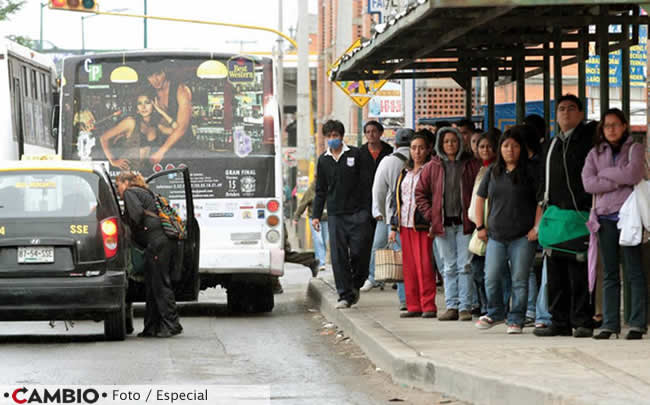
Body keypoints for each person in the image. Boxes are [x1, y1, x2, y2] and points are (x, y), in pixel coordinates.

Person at [534, 94, 597, 338]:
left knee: (578, 274)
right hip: (555, 216)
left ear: (581, 114)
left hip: (579, 216)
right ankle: (559, 320)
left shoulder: (588, 142)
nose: (566, 113)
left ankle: (582, 320)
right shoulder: (551, 145)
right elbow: (542, 179)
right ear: (556, 115)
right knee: (556, 273)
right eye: (561, 109)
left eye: (571, 109)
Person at [582, 108, 647, 340]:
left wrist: (606, 175)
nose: (611, 129)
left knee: (633, 271)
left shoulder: (635, 148)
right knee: (609, 272)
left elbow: (633, 175)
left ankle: (637, 324)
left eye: (615, 125)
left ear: (624, 126)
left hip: (629, 218)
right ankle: (610, 324)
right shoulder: (594, 153)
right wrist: (618, 176)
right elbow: (588, 183)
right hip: (605, 217)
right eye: (606, 125)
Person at [474, 127, 542, 334]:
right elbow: (480, 198)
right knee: (491, 276)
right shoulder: (493, 172)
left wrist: (536, 228)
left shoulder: (531, 171)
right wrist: (480, 226)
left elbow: (540, 202)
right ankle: (495, 312)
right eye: (505, 145)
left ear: (521, 148)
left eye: (514, 145)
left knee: (520, 279)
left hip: (523, 236)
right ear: (499, 149)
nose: (510, 150)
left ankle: (516, 318)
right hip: (495, 235)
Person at [415, 127, 480, 321]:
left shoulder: (471, 165)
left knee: (465, 266)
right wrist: (431, 215)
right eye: (446, 142)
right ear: (440, 144)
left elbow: (480, 191)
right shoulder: (432, 166)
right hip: (442, 225)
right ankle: (451, 306)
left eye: (454, 141)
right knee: (448, 266)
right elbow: (420, 193)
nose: (450, 145)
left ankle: (465, 307)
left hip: (465, 223)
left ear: (460, 142)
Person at [312, 120, 373, 308]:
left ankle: (356, 282)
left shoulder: (356, 154)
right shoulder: (323, 160)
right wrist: (315, 215)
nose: (332, 139)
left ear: (342, 136)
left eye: (335, 136)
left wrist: (368, 211)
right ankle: (345, 295)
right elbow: (320, 190)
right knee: (338, 256)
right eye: (329, 136)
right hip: (335, 214)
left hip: (358, 213)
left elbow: (367, 184)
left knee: (359, 251)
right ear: (325, 138)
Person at [116, 172, 182, 338]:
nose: (118, 190)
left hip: (157, 242)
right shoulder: (145, 192)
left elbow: (136, 215)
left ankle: (172, 325)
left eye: (117, 185)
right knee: (152, 287)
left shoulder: (130, 192)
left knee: (160, 284)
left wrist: (124, 226)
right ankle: (151, 327)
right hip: (164, 241)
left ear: (126, 183)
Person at [363, 128, 414, 312]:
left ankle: (404, 299)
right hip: (419, 217)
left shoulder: (388, 161)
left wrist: (383, 213)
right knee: (419, 258)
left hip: (393, 217)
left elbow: (378, 190)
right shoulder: (423, 159)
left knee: (399, 256)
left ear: (396, 144)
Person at [389, 133, 436, 318]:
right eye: (414, 148)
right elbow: (397, 200)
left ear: (428, 149)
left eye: (421, 148)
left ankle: (428, 305)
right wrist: (393, 227)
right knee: (408, 267)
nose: (417, 152)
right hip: (405, 225)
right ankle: (413, 304)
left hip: (422, 225)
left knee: (424, 265)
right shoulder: (404, 172)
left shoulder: (430, 171)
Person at [100, 91, 174, 171]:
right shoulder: (130, 122)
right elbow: (103, 138)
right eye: (139, 103)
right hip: (127, 172)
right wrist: (113, 161)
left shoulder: (156, 126)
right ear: (137, 108)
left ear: (153, 105)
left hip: (145, 172)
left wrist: (161, 112)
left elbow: (178, 131)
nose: (143, 107)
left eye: (147, 102)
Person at [467, 130, 498, 316]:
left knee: (492, 273)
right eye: (481, 146)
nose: (485, 150)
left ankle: (494, 308)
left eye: (489, 146)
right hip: (479, 227)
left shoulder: (496, 170)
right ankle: (486, 306)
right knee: (478, 271)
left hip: (492, 228)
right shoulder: (482, 169)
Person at [146, 67, 193, 164]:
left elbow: (182, 128)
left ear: (165, 72)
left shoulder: (181, 90)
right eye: (150, 76)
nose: (155, 80)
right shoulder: (151, 92)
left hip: (183, 148)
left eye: (158, 74)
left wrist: (161, 152)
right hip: (160, 145)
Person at [294, 180, 328, 272]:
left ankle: (321, 259)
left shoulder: (329, 186)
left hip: (326, 219)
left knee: (324, 241)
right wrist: (296, 217)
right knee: (318, 240)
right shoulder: (312, 190)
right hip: (313, 218)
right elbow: (303, 203)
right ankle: (321, 262)